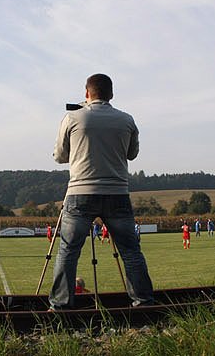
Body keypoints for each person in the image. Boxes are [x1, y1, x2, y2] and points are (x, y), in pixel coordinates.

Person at [48, 73, 154, 310]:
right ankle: (144, 300)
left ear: (87, 94)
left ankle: (61, 305)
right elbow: (132, 154)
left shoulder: (72, 118)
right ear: (111, 94)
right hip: (117, 193)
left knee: (68, 251)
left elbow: (59, 156)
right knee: (130, 251)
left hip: (80, 193)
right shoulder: (126, 120)